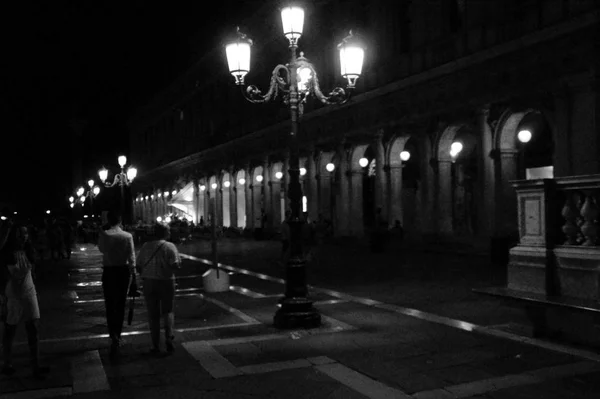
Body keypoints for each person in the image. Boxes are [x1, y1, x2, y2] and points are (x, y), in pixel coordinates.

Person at [1, 223, 50, 378]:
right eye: (20, 233)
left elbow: (33, 269)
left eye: (26, 233)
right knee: (10, 330)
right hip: (14, 295)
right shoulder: (7, 253)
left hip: (29, 293)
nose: (24, 236)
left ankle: (35, 364)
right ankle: (7, 363)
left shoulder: (29, 251)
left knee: (33, 329)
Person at [136, 223, 181, 354]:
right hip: (166, 281)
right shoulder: (169, 246)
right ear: (166, 233)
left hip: (149, 282)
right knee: (168, 311)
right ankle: (169, 338)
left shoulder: (145, 247)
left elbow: (138, 266)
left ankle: (155, 345)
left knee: (153, 314)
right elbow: (176, 265)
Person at [97, 211, 136, 359]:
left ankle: (112, 332)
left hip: (109, 271)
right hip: (123, 271)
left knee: (109, 303)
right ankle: (118, 334)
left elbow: (101, 249)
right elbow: (131, 256)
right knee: (120, 303)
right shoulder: (127, 236)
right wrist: (134, 276)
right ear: (120, 221)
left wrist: (102, 231)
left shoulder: (105, 234)